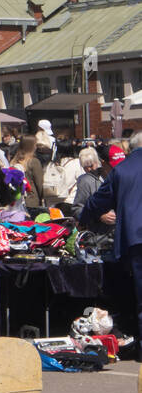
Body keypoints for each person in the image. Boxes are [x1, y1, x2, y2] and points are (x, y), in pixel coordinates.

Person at [80, 133, 142, 340]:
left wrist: (84, 218)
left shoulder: (121, 171)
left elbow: (97, 202)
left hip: (135, 240)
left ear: (129, 150)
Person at [10, 135, 44, 209]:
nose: (36, 147)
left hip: (18, 200)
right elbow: (40, 184)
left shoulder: (14, 161)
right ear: (31, 146)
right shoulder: (33, 161)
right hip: (32, 200)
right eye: (35, 144)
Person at [72, 147, 104, 211]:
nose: (89, 169)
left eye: (91, 165)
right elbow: (78, 207)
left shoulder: (106, 174)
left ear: (96, 162)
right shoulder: (84, 180)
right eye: (85, 167)